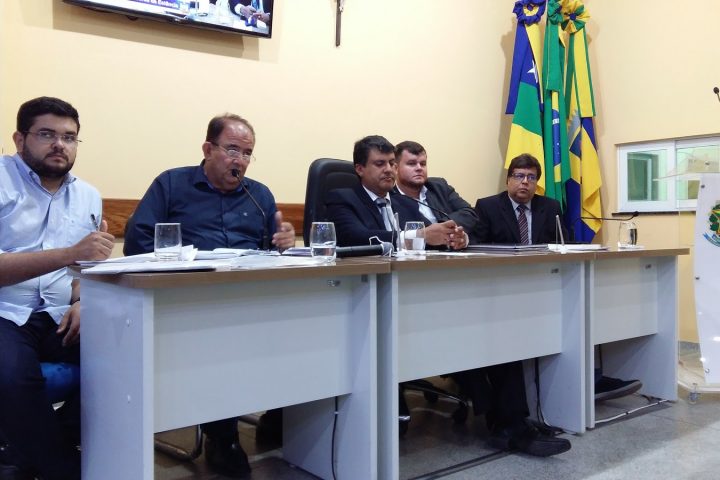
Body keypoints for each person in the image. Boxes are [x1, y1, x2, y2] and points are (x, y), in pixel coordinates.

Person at [124, 113, 295, 479]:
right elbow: (137, 242)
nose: (240, 161)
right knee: (222, 337)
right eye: (232, 150)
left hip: (251, 295)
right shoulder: (172, 184)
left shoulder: (259, 195)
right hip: (189, 298)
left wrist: (283, 243)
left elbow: (272, 251)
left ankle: (281, 416)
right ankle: (223, 436)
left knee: (303, 325)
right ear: (207, 149)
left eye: (247, 153)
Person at [0, 97, 115, 480]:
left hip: (58, 314)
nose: (59, 145)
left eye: (69, 137)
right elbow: (73, 256)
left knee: (126, 356)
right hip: (4, 311)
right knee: (12, 377)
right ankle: (61, 468)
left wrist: (83, 301)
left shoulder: (88, 196)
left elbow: (83, 269)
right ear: (20, 139)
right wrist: (69, 253)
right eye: (46, 134)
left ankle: (38, 450)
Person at [325, 135, 466, 250]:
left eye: (392, 163)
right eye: (380, 164)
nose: (388, 169)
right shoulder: (342, 199)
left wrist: (455, 239)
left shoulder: (405, 202)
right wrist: (418, 236)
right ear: (360, 169)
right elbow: (355, 238)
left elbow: (430, 236)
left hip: (408, 272)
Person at [393, 140, 477, 248]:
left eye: (423, 164)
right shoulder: (389, 198)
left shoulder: (439, 186)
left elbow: (469, 213)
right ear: (395, 168)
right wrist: (436, 233)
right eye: (412, 164)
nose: (419, 168)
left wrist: (446, 229)